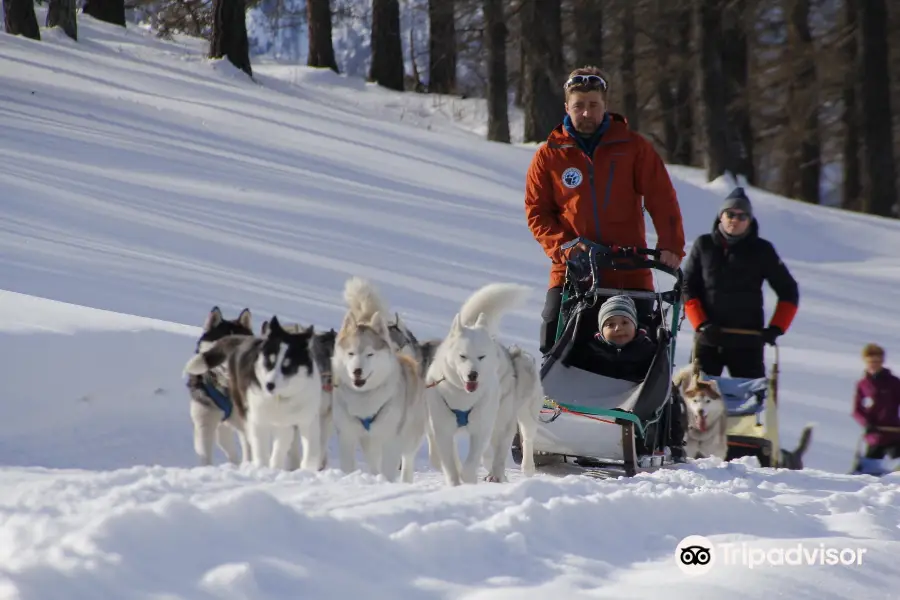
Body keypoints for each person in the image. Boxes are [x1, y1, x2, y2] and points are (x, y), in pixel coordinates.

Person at [524, 65, 686, 355]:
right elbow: (537, 212)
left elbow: (662, 198)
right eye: (579, 106)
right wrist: (565, 247)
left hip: (629, 267)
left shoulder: (633, 148)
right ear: (566, 107)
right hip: (574, 269)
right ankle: (558, 399)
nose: (587, 113)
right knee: (554, 339)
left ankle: (636, 399)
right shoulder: (549, 154)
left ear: (605, 106)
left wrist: (671, 245)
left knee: (642, 350)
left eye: (593, 106)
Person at [682, 186, 799, 378]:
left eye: (742, 216)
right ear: (721, 216)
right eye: (730, 214)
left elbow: (789, 290)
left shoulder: (762, 250)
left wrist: (777, 327)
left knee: (748, 404)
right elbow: (687, 287)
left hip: (747, 342)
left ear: (749, 221)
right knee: (696, 402)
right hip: (709, 339)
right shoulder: (704, 245)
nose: (735, 220)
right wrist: (701, 323)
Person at [567, 295, 656, 383]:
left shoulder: (646, 349)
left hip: (635, 393)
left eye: (624, 322)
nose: (618, 328)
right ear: (601, 331)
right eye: (610, 325)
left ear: (635, 326)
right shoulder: (591, 350)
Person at [851, 344, 900, 473]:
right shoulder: (862, 385)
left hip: (894, 433)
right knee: (867, 472)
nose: (874, 364)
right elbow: (857, 410)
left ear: (882, 361)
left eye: (877, 361)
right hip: (874, 436)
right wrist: (866, 423)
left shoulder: (894, 383)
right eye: (871, 362)